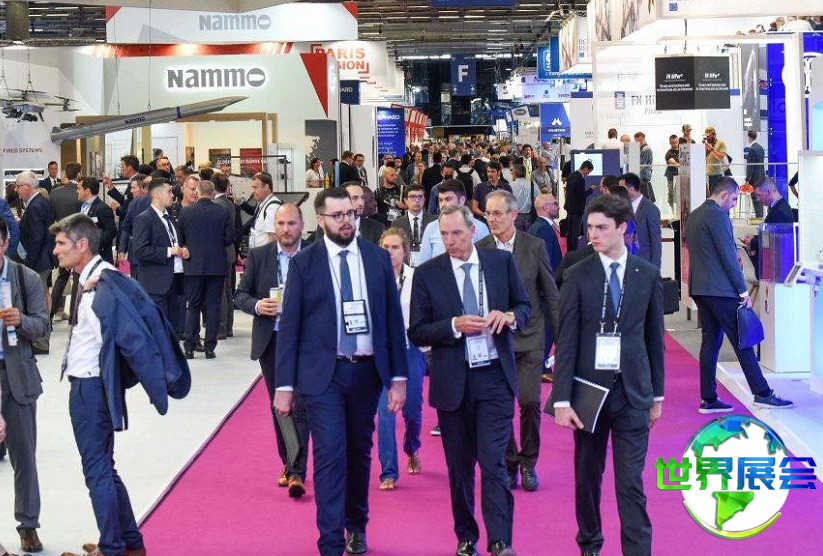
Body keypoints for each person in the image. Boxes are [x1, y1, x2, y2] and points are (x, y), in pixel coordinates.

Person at [274, 187, 407, 556]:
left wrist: (398, 378)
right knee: (330, 455)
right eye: (338, 216)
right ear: (321, 220)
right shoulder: (305, 263)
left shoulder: (377, 259)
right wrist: (284, 385)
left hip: (366, 373)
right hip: (323, 376)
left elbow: (392, 321)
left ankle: (356, 525)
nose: (346, 221)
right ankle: (330, 542)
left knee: (359, 453)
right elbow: (290, 326)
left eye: (350, 213)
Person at [52, 213, 189, 556]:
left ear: (82, 245)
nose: (56, 250)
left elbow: (133, 339)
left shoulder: (104, 286)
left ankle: (111, 547)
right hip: (92, 385)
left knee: (96, 470)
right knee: (104, 468)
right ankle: (130, 544)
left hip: (89, 388)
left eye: (61, 243)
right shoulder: (98, 279)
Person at [409, 204, 529, 556]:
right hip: (453, 383)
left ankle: (500, 540)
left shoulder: (500, 263)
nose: (450, 240)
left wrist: (509, 317)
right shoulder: (428, 274)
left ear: (473, 231)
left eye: (457, 233)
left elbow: (525, 307)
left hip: (494, 377)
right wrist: (453, 326)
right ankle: (466, 536)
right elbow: (417, 331)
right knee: (460, 468)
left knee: (493, 463)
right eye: (444, 234)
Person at [551, 193, 665, 556]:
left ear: (622, 228)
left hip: (633, 393)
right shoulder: (577, 274)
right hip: (588, 394)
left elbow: (654, 339)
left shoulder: (646, 274)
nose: (593, 234)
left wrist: (657, 396)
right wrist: (561, 399)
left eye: (601, 227)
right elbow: (566, 341)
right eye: (590, 227)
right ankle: (590, 544)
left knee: (630, 483)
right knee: (587, 478)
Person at [685, 177, 793, 412]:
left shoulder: (695, 215)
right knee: (742, 340)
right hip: (721, 290)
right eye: (734, 199)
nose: (734, 204)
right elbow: (727, 256)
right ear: (724, 195)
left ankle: (709, 398)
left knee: (710, 342)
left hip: (700, 289)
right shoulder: (717, 216)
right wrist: (743, 291)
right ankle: (762, 393)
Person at [478, 191, 559, 493]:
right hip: (495, 342)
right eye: (488, 213)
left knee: (529, 401)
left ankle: (529, 462)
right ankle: (510, 462)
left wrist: (562, 342)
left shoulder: (534, 246)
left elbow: (551, 295)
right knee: (500, 408)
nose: (492, 219)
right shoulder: (481, 249)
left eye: (497, 213)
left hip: (530, 338)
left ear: (514, 215)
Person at [235, 203, 310, 497]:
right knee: (280, 405)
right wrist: (257, 306)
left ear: (302, 225)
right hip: (272, 340)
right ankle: (290, 463)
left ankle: (296, 470)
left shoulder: (314, 255)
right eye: (281, 224)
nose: (286, 229)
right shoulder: (259, 256)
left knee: (301, 404)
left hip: (306, 342)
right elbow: (240, 294)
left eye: (291, 223)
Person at [0, 218, 49, 554]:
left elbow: (43, 327)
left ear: (5, 244)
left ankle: (28, 525)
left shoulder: (25, 277)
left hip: (16, 375)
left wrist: (21, 321)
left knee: (24, 457)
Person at [375, 228, 426, 491]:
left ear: (405, 251)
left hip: (410, 349)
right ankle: (388, 472)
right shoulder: (373, 279)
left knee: (413, 408)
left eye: (395, 247)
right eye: (385, 247)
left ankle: (412, 447)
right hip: (382, 353)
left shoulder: (417, 279)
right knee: (385, 413)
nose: (390, 252)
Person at [178, 180, 234, 359]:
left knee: (193, 306)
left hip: (193, 265)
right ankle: (210, 347)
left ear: (198, 191)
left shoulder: (186, 212)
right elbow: (229, 238)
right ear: (213, 193)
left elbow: (180, 238)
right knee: (213, 306)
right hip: (216, 266)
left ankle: (189, 346)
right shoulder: (222, 211)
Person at [132, 178, 187, 325]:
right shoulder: (144, 219)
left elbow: (176, 243)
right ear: (157, 194)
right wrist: (169, 251)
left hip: (176, 281)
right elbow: (140, 251)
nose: (172, 195)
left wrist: (183, 250)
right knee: (159, 328)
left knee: (175, 328)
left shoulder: (171, 219)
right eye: (169, 191)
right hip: (156, 285)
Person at [15, 171, 54, 355]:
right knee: (41, 298)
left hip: (37, 262)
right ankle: (40, 340)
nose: (16, 190)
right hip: (41, 260)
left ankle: (41, 342)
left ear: (27, 187)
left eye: (18, 186)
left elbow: (36, 238)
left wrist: (27, 263)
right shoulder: (39, 202)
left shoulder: (36, 205)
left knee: (38, 302)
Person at [418, 180, 490, 264]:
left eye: (448, 199)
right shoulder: (431, 228)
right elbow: (423, 265)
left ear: (462, 200)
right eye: (440, 200)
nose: (443, 204)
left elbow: (487, 262)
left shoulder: (480, 228)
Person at [742, 178, 795, 275]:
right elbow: (771, 235)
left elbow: (776, 243)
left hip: (776, 269)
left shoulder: (781, 211)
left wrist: (753, 242)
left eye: (759, 195)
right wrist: (755, 238)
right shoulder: (777, 207)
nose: (758, 199)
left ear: (769, 192)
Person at [314, 183, 385, 244]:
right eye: (355, 198)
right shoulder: (328, 224)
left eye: (362, 198)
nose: (360, 203)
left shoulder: (377, 228)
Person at [619, 173, 661, 268]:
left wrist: (654, 269)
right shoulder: (623, 207)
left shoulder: (651, 209)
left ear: (631, 189)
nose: (620, 192)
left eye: (622, 189)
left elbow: (656, 242)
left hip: (643, 264)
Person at [390, 184, 435, 266]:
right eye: (412, 197)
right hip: (405, 266)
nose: (417, 200)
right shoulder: (397, 224)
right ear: (405, 200)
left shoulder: (434, 221)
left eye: (420, 197)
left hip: (429, 264)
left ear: (424, 199)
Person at [77, 178, 117, 264]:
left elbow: (111, 231)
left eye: (79, 188)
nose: (77, 191)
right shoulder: (81, 206)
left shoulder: (103, 208)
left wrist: (93, 245)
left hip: (99, 258)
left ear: (87, 191)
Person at [564, 160, 594, 252]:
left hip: (569, 207)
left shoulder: (571, 175)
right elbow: (581, 196)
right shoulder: (580, 179)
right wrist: (590, 190)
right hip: (577, 209)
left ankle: (569, 250)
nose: (588, 174)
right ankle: (574, 251)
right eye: (588, 172)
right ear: (585, 168)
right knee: (575, 232)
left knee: (570, 230)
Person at [743, 130, 766, 218]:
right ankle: (760, 216)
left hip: (755, 178)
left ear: (749, 137)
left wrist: (747, 179)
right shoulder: (760, 148)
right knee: (760, 198)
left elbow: (750, 166)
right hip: (761, 177)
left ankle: (759, 217)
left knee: (756, 198)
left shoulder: (752, 150)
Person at [704, 126, 728, 193]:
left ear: (714, 134)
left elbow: (720, 157)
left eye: (709, 136)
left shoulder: (720, 143)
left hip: (716, 174)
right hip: (707, 174)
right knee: (709, 195)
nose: (707, 138)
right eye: (706, 136)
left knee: (716, 194)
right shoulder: (707, 144)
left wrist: (711, 149)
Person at [635, 132, 655, 202]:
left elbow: (642, 164)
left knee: (645, 195)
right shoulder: (643, 148)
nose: (636, 142)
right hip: (643, 175)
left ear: (640, 138)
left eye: (636, 140)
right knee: (644, 195)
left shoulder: (645, 149)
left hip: (643, 175)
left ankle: (648, 207)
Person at [664, 134, 680, 214]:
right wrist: (680, 165)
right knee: (671, 195)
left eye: (676, 142)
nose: (674, 144)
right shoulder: (669, 153)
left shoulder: (683, 151)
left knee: (679, 195)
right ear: (670, 143)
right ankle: (674, 214)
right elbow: (672, 162)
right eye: (673, 143)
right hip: (671, 177)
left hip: (681, 177)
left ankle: (679, 213)